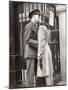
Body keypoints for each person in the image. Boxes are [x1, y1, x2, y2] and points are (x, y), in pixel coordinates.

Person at [24, 9, 40, 87]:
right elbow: (27, 40)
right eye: (38, 16)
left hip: (35, 52)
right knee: (30, 75)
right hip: (30, 53)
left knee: (36, 74)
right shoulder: (29, 25)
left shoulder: (36, 26)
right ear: (34, 17)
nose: (39, 18)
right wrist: (39, 43)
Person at [37, 15, 54, 86]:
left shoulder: (41, 28)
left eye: (39, 17)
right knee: (48, 71)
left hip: (43, 51)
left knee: (44, 71)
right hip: (47, 50)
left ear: (42, 19)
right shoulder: (48, 28)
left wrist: (39, 55)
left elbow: (41, 43)